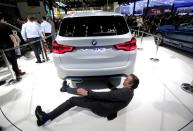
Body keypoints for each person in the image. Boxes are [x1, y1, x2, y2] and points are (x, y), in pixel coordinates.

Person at [35, 74, 139, 126]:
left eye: (127, 80)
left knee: (73, 100)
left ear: (131, 84)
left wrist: (88, 93)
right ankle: (66, 89)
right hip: (106, 107)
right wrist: (109, 83)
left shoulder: (125, 93)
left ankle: (44, 118)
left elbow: (107, 96)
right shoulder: (129, 92)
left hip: (101, 108)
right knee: (87, 93)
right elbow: (115, 94)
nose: (125, 80)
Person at [0, 13, 25, 79]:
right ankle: (17, 73)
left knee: (10, 60)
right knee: (13, 60)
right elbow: (11, 36)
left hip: (2, 48)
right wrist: (16, 44)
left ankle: (17, 70)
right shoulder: (5, 25)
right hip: (8, 45)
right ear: (2, 18)